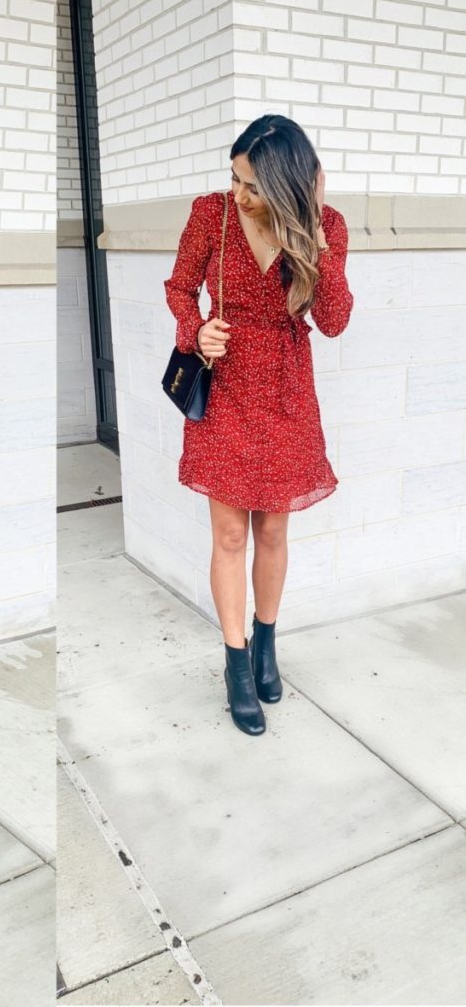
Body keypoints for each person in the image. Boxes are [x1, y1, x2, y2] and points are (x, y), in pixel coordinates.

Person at [164, 115, 353, 737]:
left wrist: (318, 236)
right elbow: (178, 287)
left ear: (288, 183)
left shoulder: (325, 228)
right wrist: (195, 331)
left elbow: (333, 320)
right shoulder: (211, 214)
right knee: (229, 537)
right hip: (227, 388)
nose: (239, 193)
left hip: (287, 388)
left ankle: (268, 645)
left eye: (251, 183)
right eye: (234, 178)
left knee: (273, 531)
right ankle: (237, 662)